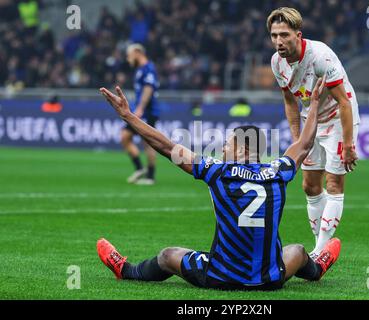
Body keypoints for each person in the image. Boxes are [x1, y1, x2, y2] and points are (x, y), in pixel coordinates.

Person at [97, 78, 341, 291]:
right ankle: (317, 267)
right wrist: (315, 104)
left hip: (221, 276)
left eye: (229, 143)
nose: (223, 147)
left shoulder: (218, 172)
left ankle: (127, 271)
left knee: (167, 255)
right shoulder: (278, 171)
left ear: (244, 149)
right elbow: (305, 144)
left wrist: (128, 116)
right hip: (270, 279)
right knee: (297, 251)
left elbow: (167, 147)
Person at [267, 7, 360, 258]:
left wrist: (349, 145)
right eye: (274, 35)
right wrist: (299, 139)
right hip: (311, 120)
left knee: (334, 183)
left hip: (338, 120)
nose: (279, 41)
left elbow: (344, 102)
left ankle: (320, 250)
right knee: (309, 186)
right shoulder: (277, 63)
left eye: (284, 35)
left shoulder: (321, 57)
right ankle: (318, 244)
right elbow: (289, 102)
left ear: (298, 34)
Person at [122, 43, 160, 185]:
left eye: (129, 54)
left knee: (146, 143)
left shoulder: (148, 68)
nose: (128, 58)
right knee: (127, 137)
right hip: (142, 111)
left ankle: (149, 175)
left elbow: (148, 89)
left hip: (147, 112)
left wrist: (140, 108)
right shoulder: (140, 70)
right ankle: (141, 169)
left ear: (138, 52)